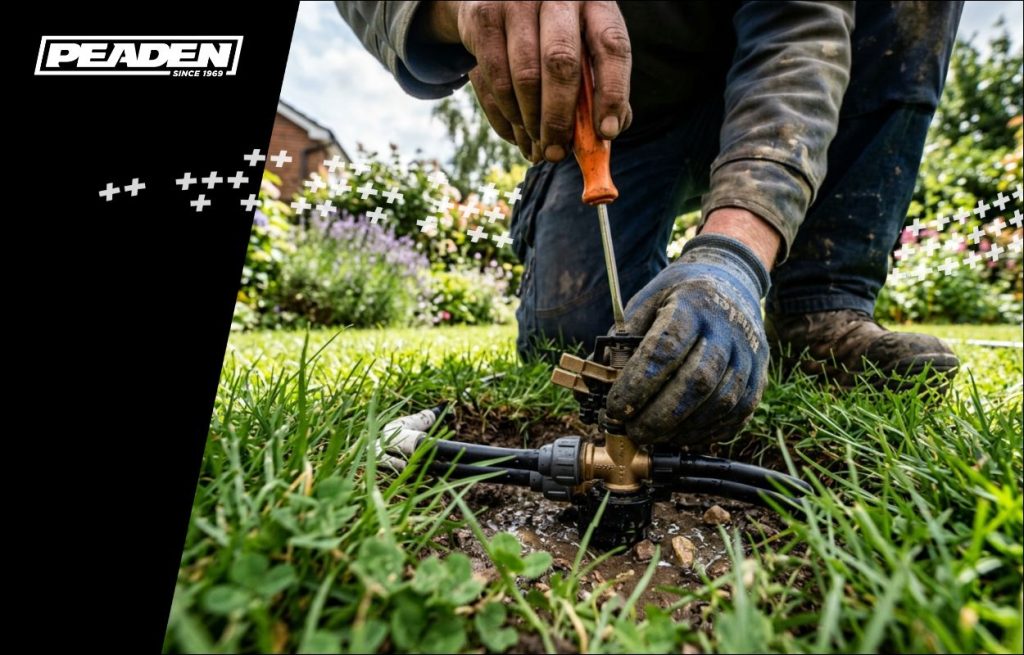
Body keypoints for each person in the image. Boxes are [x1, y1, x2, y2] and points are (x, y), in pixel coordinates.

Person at [337, 1, 964, 448]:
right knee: (579, 336)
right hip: (621, 111)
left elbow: (801, 30)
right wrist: (455, 6)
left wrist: (732, 259)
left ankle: (820, 305)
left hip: (769, 80)